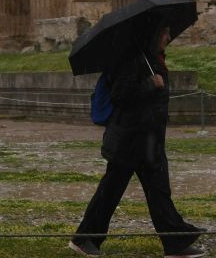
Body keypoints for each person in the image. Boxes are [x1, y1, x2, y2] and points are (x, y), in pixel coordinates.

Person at [70, 17, 205, 258]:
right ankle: (84, 239)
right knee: (110, 192)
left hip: (148, 139)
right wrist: (149, 84)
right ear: (153, 35)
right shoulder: (133, 59)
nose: (168, 37)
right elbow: (120, 95)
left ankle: (176, 241)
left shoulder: (150, 58)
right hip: (129, 141)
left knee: (159, 191)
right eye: (164, 32)